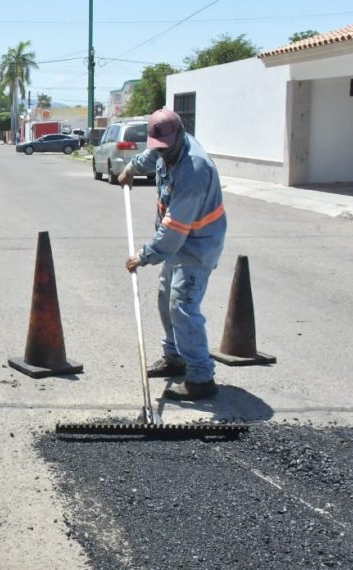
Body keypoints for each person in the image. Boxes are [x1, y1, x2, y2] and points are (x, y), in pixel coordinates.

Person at [119, 108, 227, 400]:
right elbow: (152, 156)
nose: (162, 152)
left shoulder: (194, 170)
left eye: (166, 147)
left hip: (198, 245)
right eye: (158, 147)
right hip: (177, 243)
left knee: (182, 306)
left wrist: (145, 255)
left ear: (180, 134)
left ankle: (201, 378)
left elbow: (175, 228)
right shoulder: (165, 147)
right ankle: (175, 357)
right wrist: (132, 168)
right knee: (165, 299)